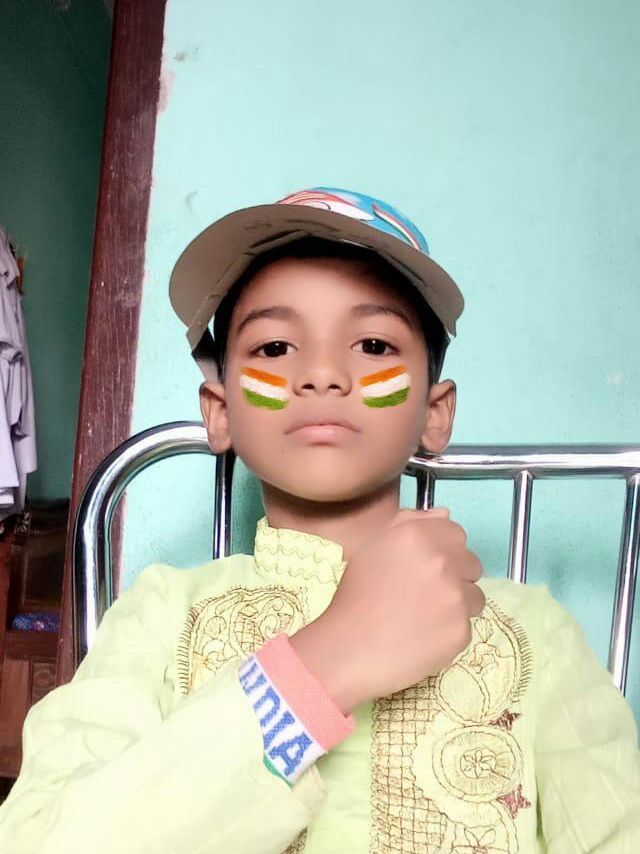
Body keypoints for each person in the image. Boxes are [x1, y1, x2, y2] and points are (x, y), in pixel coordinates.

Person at [0, 187, 639, 853]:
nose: (324, 373)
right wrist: (318, 670)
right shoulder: (161, 616)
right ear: (220, 411)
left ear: (434, 412)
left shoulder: (534, 633)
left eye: (373, 343)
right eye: (276, 347)